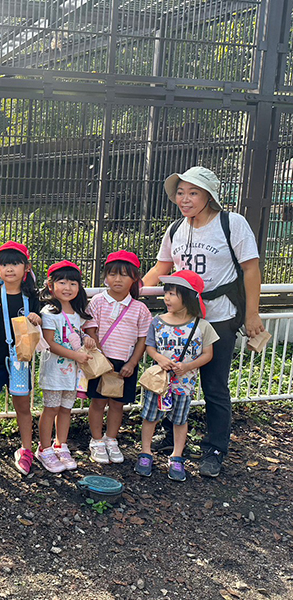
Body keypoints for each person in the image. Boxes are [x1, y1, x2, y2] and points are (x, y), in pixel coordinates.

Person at [143, 166, 263, 477]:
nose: (185, 199)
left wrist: (252, 314)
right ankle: (171, 436)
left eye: (193, 192)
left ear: (209, 195)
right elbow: (162, 267)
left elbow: (251, 269)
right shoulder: (175, 230)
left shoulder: (231, 223)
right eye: (180, 192)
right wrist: (131, 292)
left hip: (219, 318)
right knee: (172, 377)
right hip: (181, 319)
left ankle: (214, 449)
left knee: (214, 385)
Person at [135, 271, 217, 481]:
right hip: (159, 383)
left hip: (184, 383)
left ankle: (177, 456)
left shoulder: (201, 326)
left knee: (180, 420)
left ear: (188, 296)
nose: (167, 298)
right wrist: (160, 359)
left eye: (172, 294)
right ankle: (145, 452)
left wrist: (188, 366)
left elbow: (208, 354)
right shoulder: (158, 321)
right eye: (166, 293)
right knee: (150, 416)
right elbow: (150, 347)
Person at [0, 241, 41, 476]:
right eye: (4, 264)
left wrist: (37, 318)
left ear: (26, 267)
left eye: (15, 263)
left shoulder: (31, 296)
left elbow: (40, 322)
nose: (10, 268)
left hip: (20, 361)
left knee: (23, 406)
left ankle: (26, 449)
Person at [82, 251, 151, 465]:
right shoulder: (97, 302)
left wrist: (132, 363)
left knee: (117, 404)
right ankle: (96, 440)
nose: (117, 279)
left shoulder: (140, 309)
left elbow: (142, 340)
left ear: (135, 279)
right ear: (105, 277)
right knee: (98, 401)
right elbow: (91, 331)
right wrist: (102, 358)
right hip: (102, 362)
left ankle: (111, 439)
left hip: (125, 364)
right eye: (112, 274)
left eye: (123, 275)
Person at [37, 261, 96, 473]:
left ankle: (60, 445)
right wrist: (76, 355)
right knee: (51, 408)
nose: (68, 287)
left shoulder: (78, 312)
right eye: (62, 282)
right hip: (54, 372)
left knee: (65, 409)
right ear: (50, 285)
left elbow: (76, 335)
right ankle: (44, 448)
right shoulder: (49, 312)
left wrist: (87, 339)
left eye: (73, 282)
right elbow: (50, 343)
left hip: (73, 373)